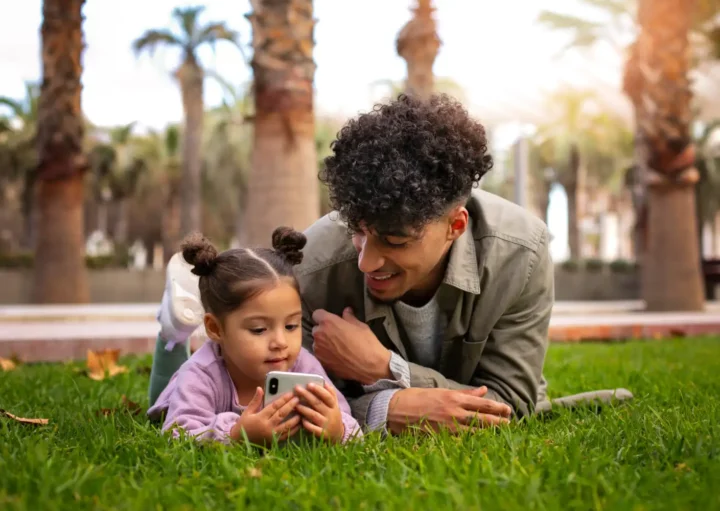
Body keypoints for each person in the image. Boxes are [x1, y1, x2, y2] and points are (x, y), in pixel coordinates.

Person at [149, 93, 631, 435]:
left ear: (455, 225)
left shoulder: (519, 255)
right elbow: (294, 391)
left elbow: (510, 402)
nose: (367, 259)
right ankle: (171, 334)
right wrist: (386, 409)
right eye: (358, 229)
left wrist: (387, 369)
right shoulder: (315, 265)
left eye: (395, 240)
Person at [147, 228, 361, 445]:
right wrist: (235, 435)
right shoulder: (200, 374)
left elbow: (349, 423)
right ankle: (172, 333)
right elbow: (178, 433)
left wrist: (339, 429)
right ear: (216, 329)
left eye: (291, 325)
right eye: (259, 329)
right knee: (160, 396)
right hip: (178, 389)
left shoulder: (303, 365)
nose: (280, 342)